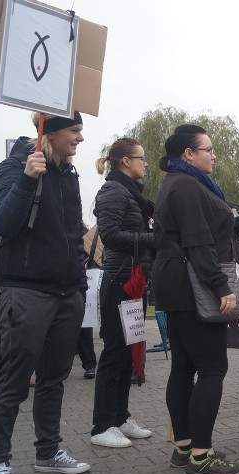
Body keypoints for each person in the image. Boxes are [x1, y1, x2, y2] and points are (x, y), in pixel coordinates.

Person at [153, 124, 239, 474]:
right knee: (213, 368)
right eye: (208, 149)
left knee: (184, 368)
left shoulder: (180, 183)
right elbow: (198, 244)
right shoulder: (187, 186)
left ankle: (183, 447)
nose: (214, 155)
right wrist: (221, 288)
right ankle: (201, 456)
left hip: (175, 284)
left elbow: (216, 225)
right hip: (193, 285)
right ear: (188, 153)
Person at [0, 111, 91, 474]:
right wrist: (28, 180)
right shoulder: (14, 167)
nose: (80, 138)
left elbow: (74, 235)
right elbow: (5, 224)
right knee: (13, 380)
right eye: (74, 131)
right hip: (27, 291)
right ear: (53, 131)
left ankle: (48, 453)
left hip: (67, 293)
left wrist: (80, 282)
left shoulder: (69, 175)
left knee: (54, 380)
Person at [89, 138, 156, 448]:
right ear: (125, 161)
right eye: (141, 158)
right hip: (120, 279)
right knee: (115, 351)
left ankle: (120, 417)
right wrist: (152, 238)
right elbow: (112, 236)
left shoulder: (130, 193)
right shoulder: (113, 191)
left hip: (135, 278)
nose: (145, 163)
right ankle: (101, 426)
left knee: (129, 350)